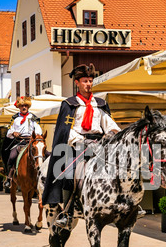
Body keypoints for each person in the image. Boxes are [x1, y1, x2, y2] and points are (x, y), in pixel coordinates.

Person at [42, 63, 121, 228]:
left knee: (120, 166)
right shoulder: (69, 104)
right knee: (69, 173)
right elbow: (64, 130)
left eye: (90, 81)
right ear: (77, 83)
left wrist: (111, 133)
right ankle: (67, 212)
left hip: (100, 143)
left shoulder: (99, 103)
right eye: (85, 81)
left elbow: (109, 123)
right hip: (77, 144)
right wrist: (81, 141)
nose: (88, 84)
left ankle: (125, 204)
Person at [3, 96, 43, 189]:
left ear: (28, 107)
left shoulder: (33, 117)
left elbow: (39, 130)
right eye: (22, 106)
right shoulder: (15, 118)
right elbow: (8, 132)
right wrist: (14, 133)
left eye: (25, 105)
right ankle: (9, 178)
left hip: (32, 141)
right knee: (12, 157)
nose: (24, 107)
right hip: (19, 142)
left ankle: (46, 176)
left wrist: (36, 135)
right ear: (19, 107)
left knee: (46, 154)